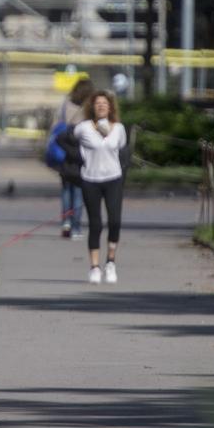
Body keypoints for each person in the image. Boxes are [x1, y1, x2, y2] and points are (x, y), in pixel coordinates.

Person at [75, 90, 128, 284]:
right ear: (92, 107)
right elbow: (67, 142)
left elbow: (122, 151)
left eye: (105, 103)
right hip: (90, 179)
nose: (101, 106)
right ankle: (94, 267)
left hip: (113, 179)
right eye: (97, 103)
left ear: (111, 107)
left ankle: (111, 262)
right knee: (95, 224)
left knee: (114, 221)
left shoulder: (119, 129)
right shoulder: (83, 128)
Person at [56, 78, 94, 239]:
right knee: (78, 192)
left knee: (66, 190)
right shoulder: (89, 107)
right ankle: (76, 228)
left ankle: (66, 222)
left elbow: (56, 126)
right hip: (82, 155)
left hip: (66, 154)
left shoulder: (66, 104)